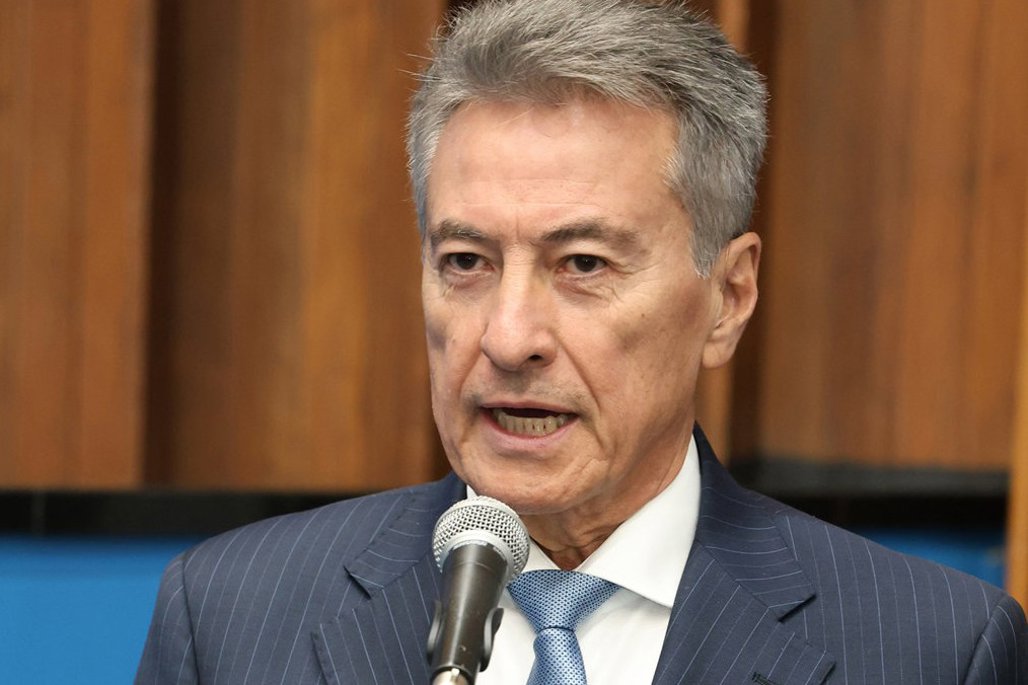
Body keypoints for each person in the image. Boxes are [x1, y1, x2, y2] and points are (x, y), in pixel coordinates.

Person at [136, 1, 1027, 683]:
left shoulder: (929, 650)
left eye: (584, 264)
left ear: (727, 298)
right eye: (467, 261)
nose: (509, 337)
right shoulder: (231, 621)